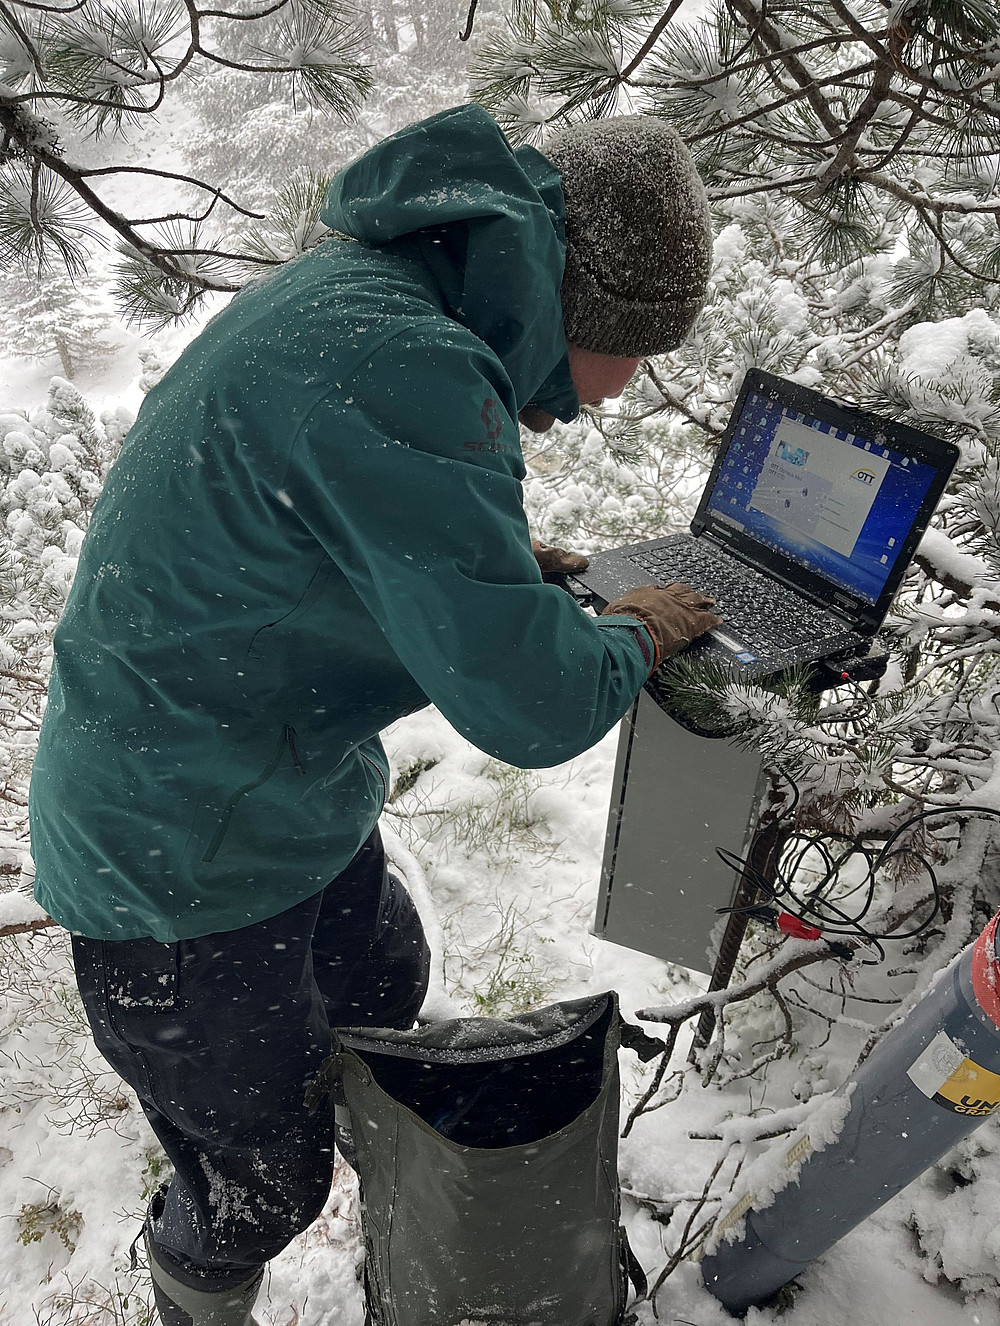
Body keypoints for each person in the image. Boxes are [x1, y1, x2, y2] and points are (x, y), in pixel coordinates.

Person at [28, 104, 720, 1325]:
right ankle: (196, 1290)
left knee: (383, 988)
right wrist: (633, 629)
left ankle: (389, 1203)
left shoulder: (370, 293)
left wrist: (501, 568)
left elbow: (322, 520)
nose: (615, 398)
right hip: (176, 870)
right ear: (584, 309)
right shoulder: (406, 363)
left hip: (266, 789)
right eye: (636, 356)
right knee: (260, 1180)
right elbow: (536, 705)